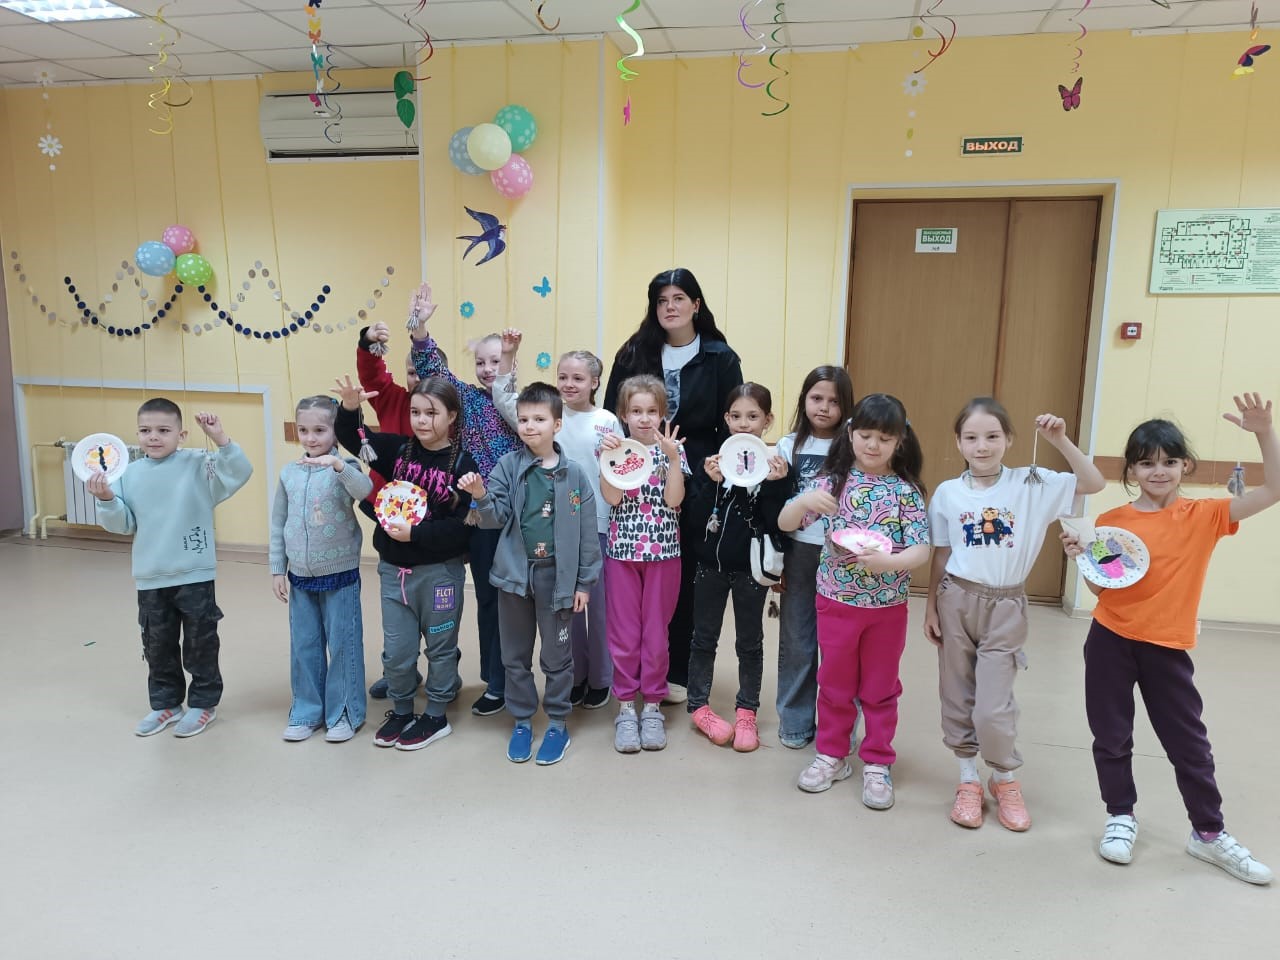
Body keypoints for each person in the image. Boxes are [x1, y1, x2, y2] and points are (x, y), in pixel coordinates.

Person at [1061, 393, 1278, 885]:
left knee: (1188, 744)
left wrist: (1264, 432)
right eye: (1146, 463)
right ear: (1131, 470)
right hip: (1110, 638)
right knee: (1111, 735)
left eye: (1169, 462)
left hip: (1168, 647)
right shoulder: (1112, 522)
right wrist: (1083, 558)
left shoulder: (1207, 515)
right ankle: (1120, 815)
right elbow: (1104, 588)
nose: (1158, 471)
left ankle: (1208, 833)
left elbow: (1274, 489)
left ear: (1185, 466)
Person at [923, 398, 1104, 830]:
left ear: (1008, 439)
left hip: (1006, 606)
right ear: (958, 443)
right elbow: (942, 553)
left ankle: (1004, 778)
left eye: (992, 436)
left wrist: (1060, 440)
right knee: (956, 693)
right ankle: (968, 779)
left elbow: (1093, 482)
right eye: (971, 438)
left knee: (993, 706)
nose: (982, 446)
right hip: (955, 599)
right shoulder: (948, 493)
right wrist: (930, 605)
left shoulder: (1033, 482)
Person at [779, 394, 929, 810]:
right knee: (835, 683)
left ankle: (877, 762)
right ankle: (832, 754)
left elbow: (921, 550)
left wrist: (889, 563)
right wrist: (802, 502)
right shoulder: (831, 482)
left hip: (887, 608)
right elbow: (786, 522)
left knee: (880, 688)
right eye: (865, 435)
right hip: (836, 601)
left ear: (900, 441)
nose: (873, 445)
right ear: (850, 434)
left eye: (885, 438)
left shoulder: (906, 492)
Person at [603, 268, 743, 702]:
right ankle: (632, 675)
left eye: (679, 298)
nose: (670, 307)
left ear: (696, 305)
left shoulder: (720, 357)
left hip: (698, 474)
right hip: (637, 479)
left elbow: (733, 422)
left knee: (682, 575)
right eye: (662, 300)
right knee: (634, 585)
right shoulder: (633, 353)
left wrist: (720, 474)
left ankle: (676, 672)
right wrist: (618, 464)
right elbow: (612, 415)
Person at [87, 398, 253, 738]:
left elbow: (239, 471)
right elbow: (122, 524)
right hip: (150, 576)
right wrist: (106, 499)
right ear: (137, 434)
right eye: (145, 430)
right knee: (157, 645)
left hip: (194, 573)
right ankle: (166, 704)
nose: (154, 437)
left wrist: (220, 438)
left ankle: (204, 704)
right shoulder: (127, 474)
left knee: (200, 643)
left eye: (164, 430)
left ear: (182, 434)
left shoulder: (199, 463)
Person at [459, 382, 603, 766]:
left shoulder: (575, 476)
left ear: (557, 424)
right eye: (523, 419)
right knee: (514, 655)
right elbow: (494, 518)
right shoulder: (508, 466)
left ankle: (557, 722)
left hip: (558, 581)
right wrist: (480, 496)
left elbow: (588, 534)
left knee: (557, 657)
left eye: (539, 419)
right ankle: (522, 719)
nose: (529, 426)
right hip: (514, 578)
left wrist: (584, 583)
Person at [333, 374, 476, 752]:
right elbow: (354, 437)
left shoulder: (463, 465)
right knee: (398, 651)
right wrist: (350, 408)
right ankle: (400, 710)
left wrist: (416, 535)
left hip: (440, 575)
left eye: (431, 413)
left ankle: (437, 714)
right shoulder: (396, 450)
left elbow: (461, 529)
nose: (422, 420)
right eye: (415, 412)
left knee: (441, 648)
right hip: (394, 572)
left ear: (452, 416)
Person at [407, 283, 519, 718]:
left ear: (510, 361)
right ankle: (496, 681)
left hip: (520, 516)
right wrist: (420, 329)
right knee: (489, 598)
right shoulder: (467, 399)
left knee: (520, 602)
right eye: (481, 362)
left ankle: (521, 677)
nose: (488, 369)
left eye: (497, 361)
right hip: (480, 516)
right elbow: (433, 370)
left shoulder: (524, 404)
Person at [683, 383, 792, 752]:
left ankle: (747, 711)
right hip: (709, 567)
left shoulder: (774, 467)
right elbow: (695, 520)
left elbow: (777, 523)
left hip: (751, 571)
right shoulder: (714, 464)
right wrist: (708, 482)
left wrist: (775, 486)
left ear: (767, 420)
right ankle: (699, 707)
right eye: (736, 416)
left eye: (753, 416)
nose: (744, 423)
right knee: (703, 638)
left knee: (750, 642)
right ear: (726, 418)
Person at [269, 395, 373, 744]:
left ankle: (344, 712)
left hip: (339, 574)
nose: (311, 438)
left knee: (343, 644)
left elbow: (365, 490)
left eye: (319, 430)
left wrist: (340, 466)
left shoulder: (345, 467)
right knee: (304, 645)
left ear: (334, 431)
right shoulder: (289, 473)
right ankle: (306, 711)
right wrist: (277, 568)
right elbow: (278, 523)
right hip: (300, 575)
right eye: (303, 430)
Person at [599, 375, 689, 753]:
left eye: (652, 411)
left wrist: (672, 458)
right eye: (636, 411)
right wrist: (609, 459)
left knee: (655, 632)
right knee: (624, 633)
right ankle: (625, 706)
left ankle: (652, 705)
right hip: (622, 553)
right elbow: (612, 498)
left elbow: (674, 500)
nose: (644, 418)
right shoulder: (615, 450)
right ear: (624, 415)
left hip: (664, 554)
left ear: (663, 414)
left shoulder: (673, 452)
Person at [773, 366, 855, 748]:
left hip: (841, 554)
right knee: (797, 638)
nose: (824, 407)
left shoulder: (854, 446)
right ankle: (795, 722)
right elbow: (774, 504)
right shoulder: (788, 445)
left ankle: (838, 729)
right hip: (798, 551)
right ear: (804, 399)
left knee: (839, 646)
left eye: (834, 401)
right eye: (816, 398)